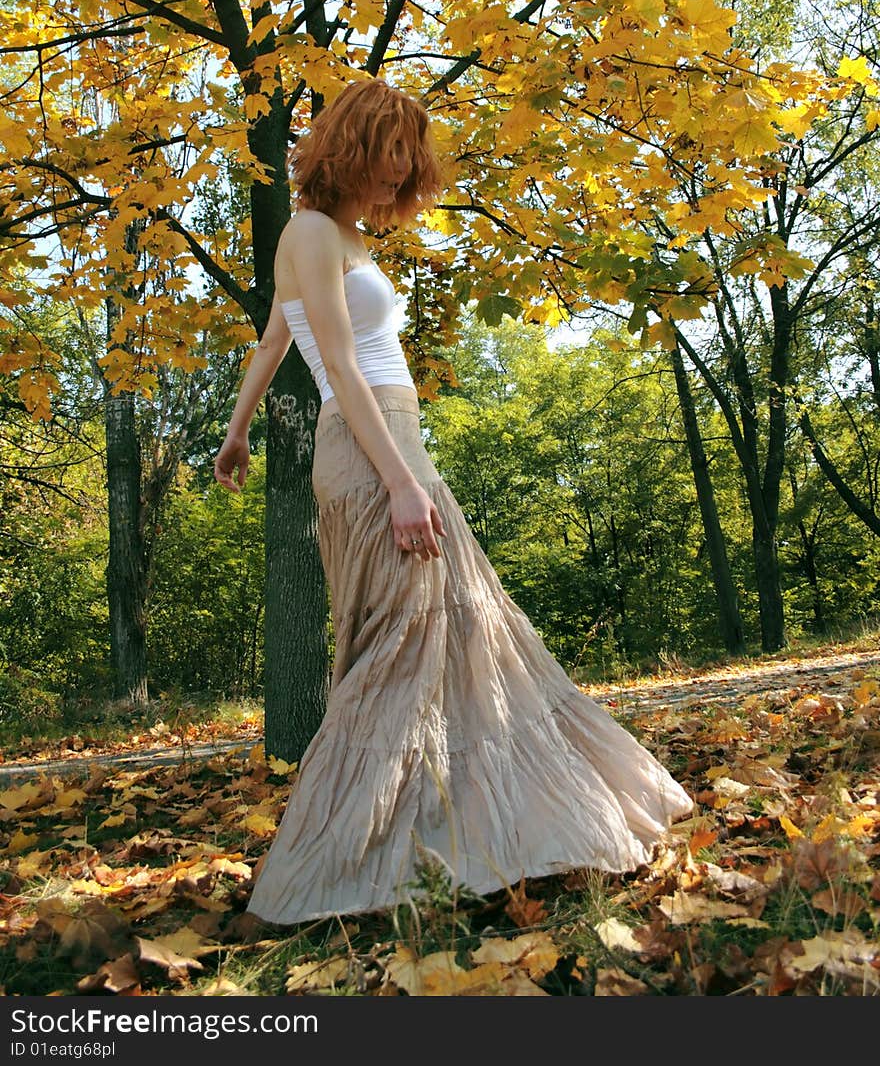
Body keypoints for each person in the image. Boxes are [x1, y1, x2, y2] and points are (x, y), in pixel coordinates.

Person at [213, 76, 693, 927]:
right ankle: (311, 878)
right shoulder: (310, 230)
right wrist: (399, 480)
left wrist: (238, 427)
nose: (400, 174)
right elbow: (341, 365)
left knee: (459, 636)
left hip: (397, 446)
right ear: (350, 148)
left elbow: (273, 335)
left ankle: (446, 847)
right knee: (398, 650)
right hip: (371, 455)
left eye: (409, 160)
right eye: (389, 155)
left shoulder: (346, 239)